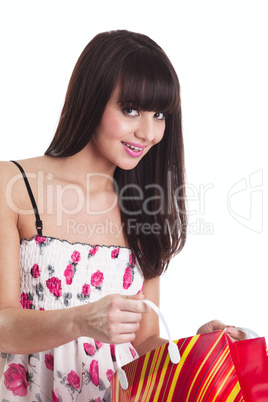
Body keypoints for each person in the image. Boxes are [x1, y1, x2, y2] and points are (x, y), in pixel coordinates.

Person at [0, 30, 244, 401]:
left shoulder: (146, 204)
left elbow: (143, 339)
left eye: (159, 114)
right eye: (130, 109)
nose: (147, 132)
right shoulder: (14, 185)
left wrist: (198, 352)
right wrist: (80, 320)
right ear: (91, 99)